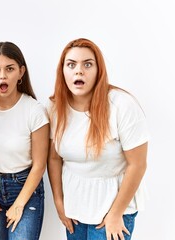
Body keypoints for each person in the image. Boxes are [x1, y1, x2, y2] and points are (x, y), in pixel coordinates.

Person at [47, 38, 149, 240]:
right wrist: (59, 202)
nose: (79, 71)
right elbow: (54, 158)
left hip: (114, 209)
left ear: (98, 70)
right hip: (75, 209)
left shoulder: (122, 105)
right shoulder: (55, 108)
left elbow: (137, 164)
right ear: (63, 71)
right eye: (71, 65)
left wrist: (116, 213)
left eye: (87, 64)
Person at [0, 42, 49, 240]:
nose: (3, 76)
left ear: (21, 72)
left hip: (25, 188)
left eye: (10, 69)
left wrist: (19, 204)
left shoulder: (34, 111)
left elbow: (40, 165)